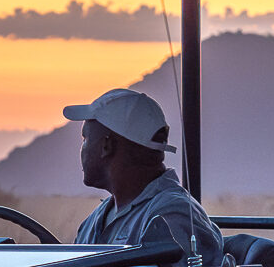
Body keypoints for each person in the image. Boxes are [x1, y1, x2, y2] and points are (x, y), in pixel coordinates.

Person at [64, 88, 224, 254]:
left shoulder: (170, 217)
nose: (82, 148)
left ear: (106, 146)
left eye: (85, 139)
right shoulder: (98, 217)